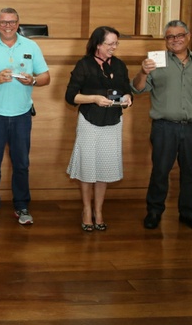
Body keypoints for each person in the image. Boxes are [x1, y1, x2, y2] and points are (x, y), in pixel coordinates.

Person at [132, 20, 192, 233]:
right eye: (170, 36)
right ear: (165, 40)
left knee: (190, 172)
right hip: (164, 127)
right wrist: (143, 72)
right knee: (160, 171)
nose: (174, 40)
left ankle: (188, 213)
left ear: (187, 37)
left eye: (179, 35)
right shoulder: (155, 62)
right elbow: (138, 89)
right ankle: (154, 212)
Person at [0, 8, 49, 226]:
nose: (8, 26)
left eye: (12, 22)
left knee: (22, 164)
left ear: (18, 23)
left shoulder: (31, 46)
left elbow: (46, 77)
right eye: (3, 22)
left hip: (22, 115)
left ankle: (22, 206)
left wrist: (32, 80)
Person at [65, 26, 132, 232]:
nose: (114, 47)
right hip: (89, 121)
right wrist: (93, 98)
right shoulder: (84, 65)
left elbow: (127, 90)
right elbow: (71, 96)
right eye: (110, 44)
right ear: (98, 44)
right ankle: (86, 210)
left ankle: (99, 211)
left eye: (116, 43)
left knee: (104, 167)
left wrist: (128, 98)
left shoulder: (119, 65)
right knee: (88, 168)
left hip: (112, 121)